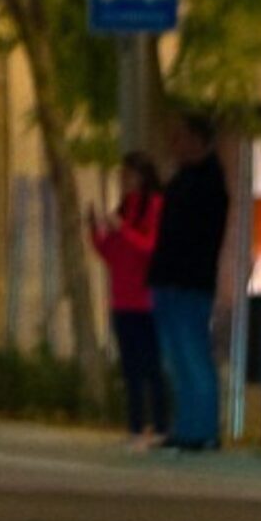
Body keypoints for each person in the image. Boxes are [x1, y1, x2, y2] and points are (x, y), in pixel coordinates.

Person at [148, 113, 230, 452]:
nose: (173, 145)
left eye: (180, 138)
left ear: (198, 141)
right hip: (170, 280)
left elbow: (193, 235)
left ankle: (204, 430)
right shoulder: (182, 179)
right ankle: (186, 427)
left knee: (192, 354)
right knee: (176, 357)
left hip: (189, 282)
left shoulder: (208, 183)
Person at [88, 153, 168, 446]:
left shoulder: (154, 207)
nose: (124, 181)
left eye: (129, 176)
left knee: (151, 366)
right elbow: (112, 253)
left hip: (145, 300)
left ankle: (159, 425)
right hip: (121, 299)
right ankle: (135, 426)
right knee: (130, 369)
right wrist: (97, 232)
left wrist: (123, 230)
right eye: (122, 176)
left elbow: (149, 247)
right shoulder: (124, 210)